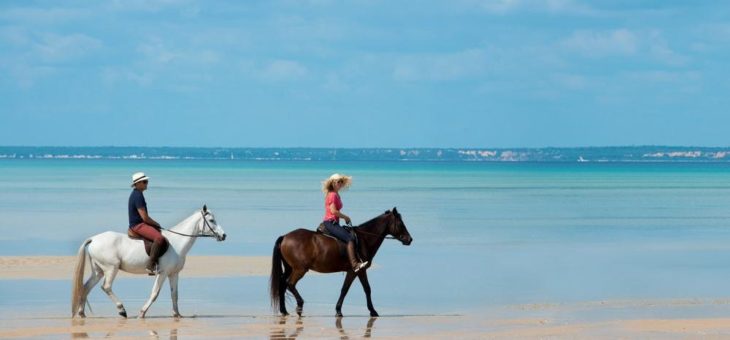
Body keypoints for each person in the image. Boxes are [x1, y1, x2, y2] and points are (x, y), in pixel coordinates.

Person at [322, 173, 368, 272]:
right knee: (350, 238)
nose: (340, 184)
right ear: (333, 183)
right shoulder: (333, 195)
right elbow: (333, 211)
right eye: (338, 182)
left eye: (341, 182)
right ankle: (355, 265)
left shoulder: (336, 194)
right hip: (330, 222)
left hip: (334, 222)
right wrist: (346, 217)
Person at [128, 172, 167, 275]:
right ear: (138, 183)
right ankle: (150, 266)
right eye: (145, 182)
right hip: (138, 225)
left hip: (139, 223)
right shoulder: (138, 196)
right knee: (159, 238)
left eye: (147, 181)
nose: (147, 183)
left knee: (157, 233)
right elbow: (144, 217)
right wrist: (156, 223)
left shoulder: (138, 194)